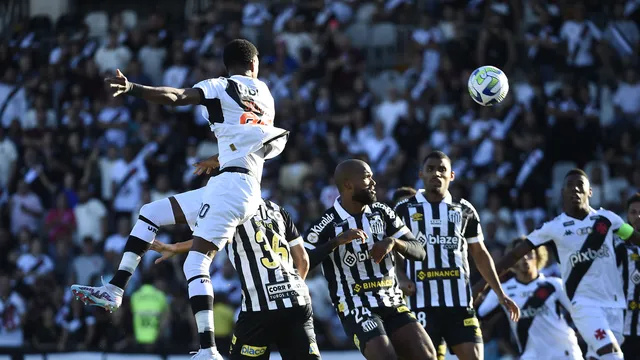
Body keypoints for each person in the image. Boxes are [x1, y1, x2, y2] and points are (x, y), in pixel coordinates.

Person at [70, 39, 289, 360]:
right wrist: (219, 158)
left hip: (231, 187)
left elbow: (176, 96)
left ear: (228, 65)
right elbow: (251, 138)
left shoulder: (220, 85)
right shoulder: (266, 94)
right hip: (237, 183)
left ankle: (208, 349)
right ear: (255, 65)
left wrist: (132, 88)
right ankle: (115, 288)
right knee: (151, 212)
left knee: (196, 262)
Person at [473, 169, 640, 360]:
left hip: (614, 304)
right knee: (612, 355)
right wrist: (480, 285)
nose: (575, 189)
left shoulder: (610, 220)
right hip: (584, 304)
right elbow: (513, 255)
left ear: (590, 191)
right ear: (562, 192)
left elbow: (635, 238)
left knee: (598, 356)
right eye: (570, 185)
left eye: (580, 185)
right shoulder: (553, 228)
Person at [149, 199, 320, 360]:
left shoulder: (233, 209)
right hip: (298, 301)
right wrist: (289, 290)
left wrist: (176, 247)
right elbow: (303, 260)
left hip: (259, 306)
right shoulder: (278, 210)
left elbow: (207, 240)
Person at [303, 159, 437, 360]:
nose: (374, 183)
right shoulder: (327, 224)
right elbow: (301, 262)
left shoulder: (383, 213)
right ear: (348, 185)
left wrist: (393, 242)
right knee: (385, 357)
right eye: (367, 178)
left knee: (427, 355)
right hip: (355, 305)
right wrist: (336, 242)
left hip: (392, 301)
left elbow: (419, 251)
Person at [393, 151, 519, 360]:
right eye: (430, 169)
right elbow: (390, 251)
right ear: (421, 174)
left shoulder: (464, 210)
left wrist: (500, 292)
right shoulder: (404, 209)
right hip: (422, 304)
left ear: (451, 175)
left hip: (459, 304)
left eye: (442, 169)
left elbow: (480, 253)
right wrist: (402, 277)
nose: (436, 173)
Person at [476, 238, 583, 359]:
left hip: (564, 352)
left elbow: (579, 312)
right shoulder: (502, 291)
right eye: (520, 256)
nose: (525, 258)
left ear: (538, 256)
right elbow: (479, 315)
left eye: (529, 253)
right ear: (512, 262)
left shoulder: (554, 285)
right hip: (531, 356)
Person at [618, 193, 640, 359]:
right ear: (627, 215)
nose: (638, 216)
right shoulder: (617, 246)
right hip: (625, 328)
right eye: (633, 212)